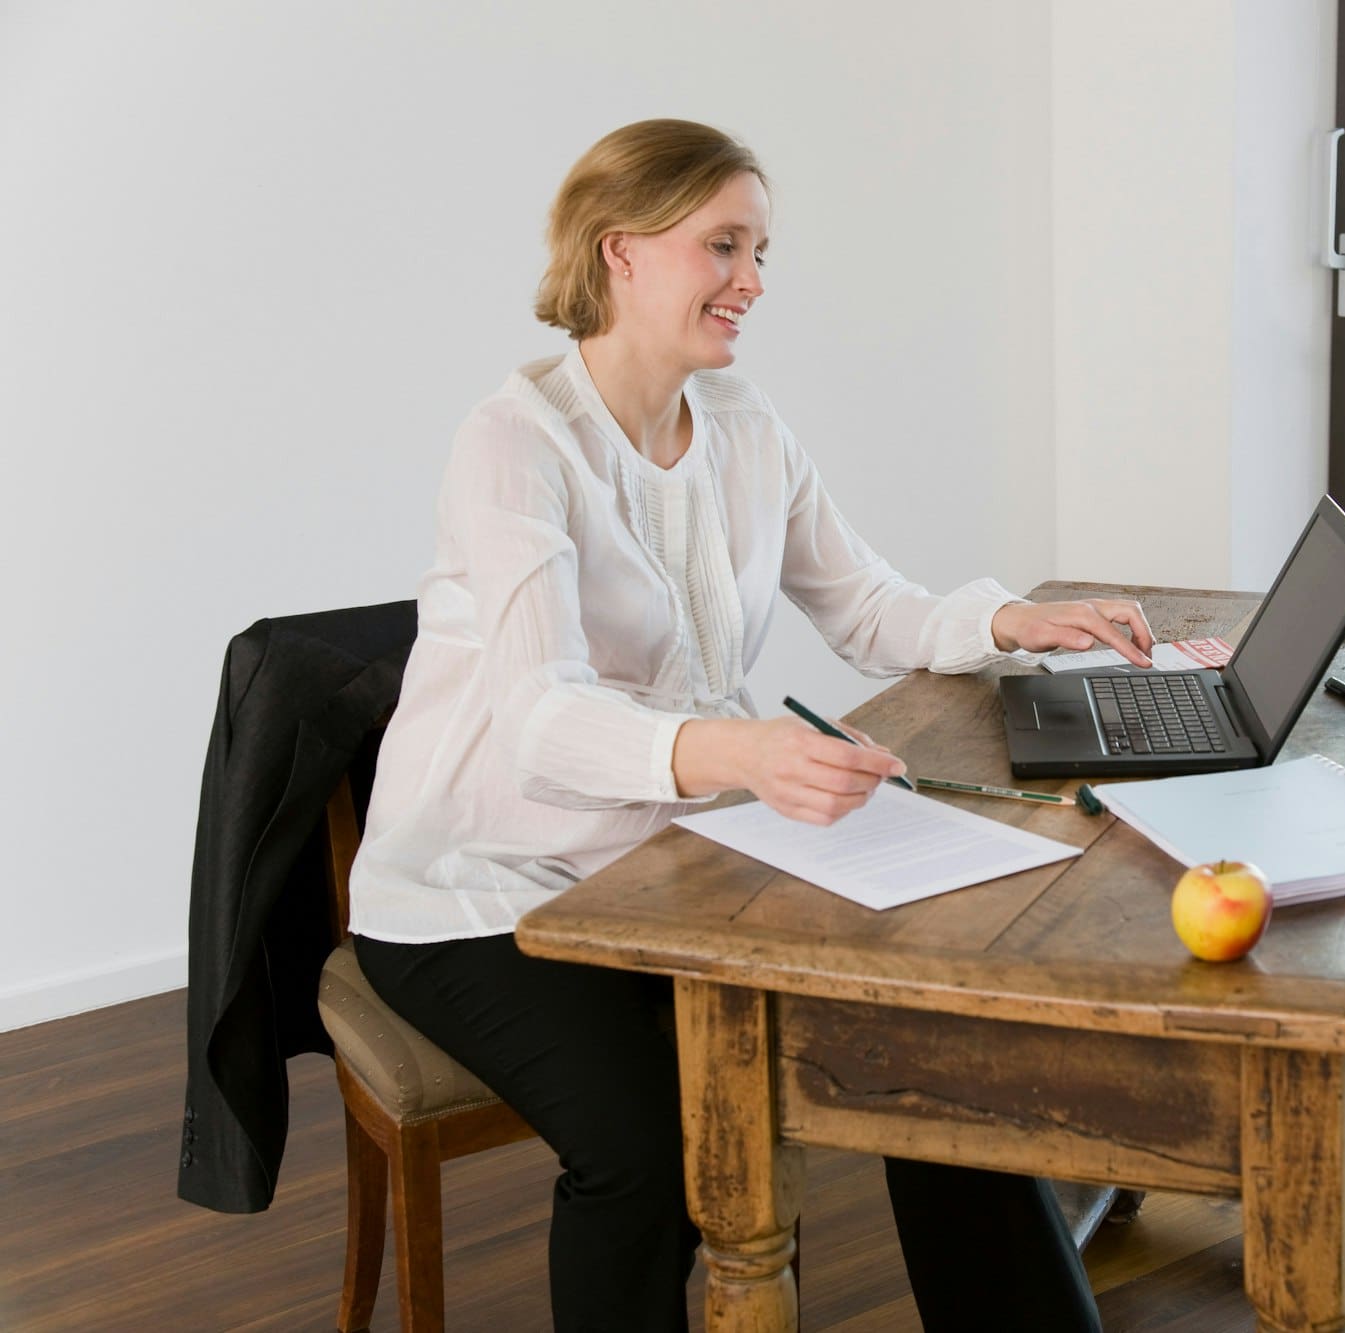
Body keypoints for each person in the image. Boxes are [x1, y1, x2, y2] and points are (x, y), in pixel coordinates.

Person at [344, 118, 1152, 1332]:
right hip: (483, 892)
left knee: (933, 1048)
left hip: (666, 866)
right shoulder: (514, 443)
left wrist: (1019, 625)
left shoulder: (743, 424)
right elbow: (540, 721)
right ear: (619, 253)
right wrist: (749, 753)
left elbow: (866, 604)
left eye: (760, 250)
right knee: (649, 1151)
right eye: (723, 245)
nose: (754, 282)